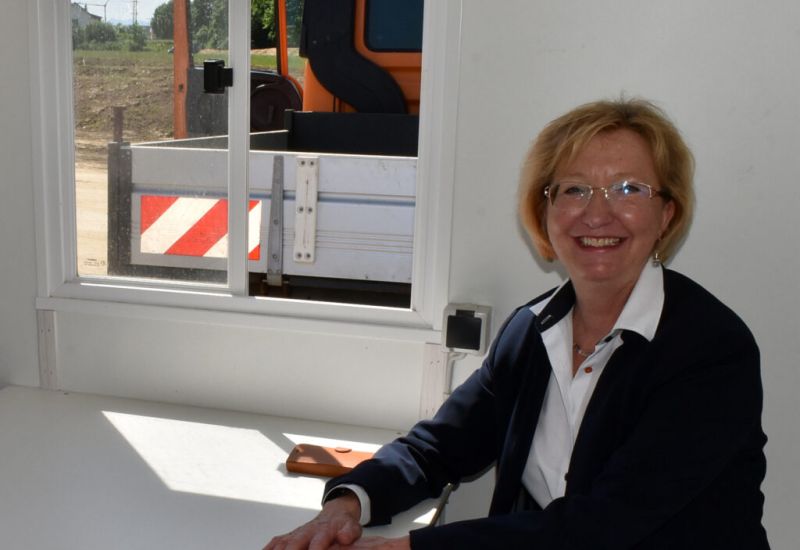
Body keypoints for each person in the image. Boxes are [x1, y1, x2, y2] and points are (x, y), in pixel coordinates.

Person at [264, 98, 769, 549]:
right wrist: (347, 505)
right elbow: (435, 449)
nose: (597, 214)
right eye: (574, 189)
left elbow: (606, 524)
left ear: (667, 215)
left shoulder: (712, 351)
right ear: (544, 212)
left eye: (627, 189)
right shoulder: (531, 331)